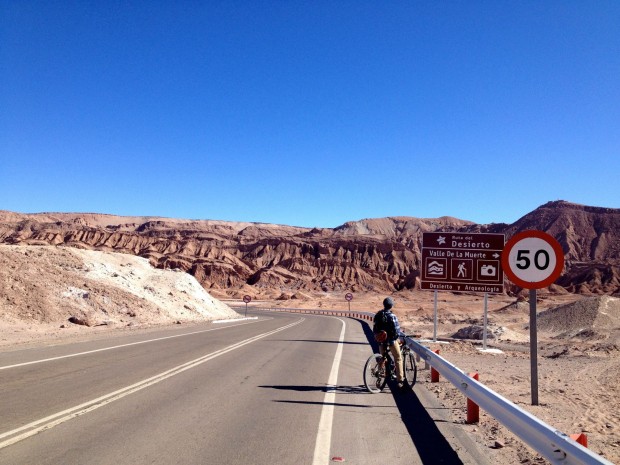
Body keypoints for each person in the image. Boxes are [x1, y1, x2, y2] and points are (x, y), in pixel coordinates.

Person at [373, 297, 406, 390]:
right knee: (398, 358)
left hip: (381, 340)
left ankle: (379, 377)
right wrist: (397, 338)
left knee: (382, 359)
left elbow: (375, 327)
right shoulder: (392, 316)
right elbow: (397, 331)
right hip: (391, 341)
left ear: (384, 304)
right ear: (391, 306)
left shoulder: (378, 314)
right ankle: (400, 381)